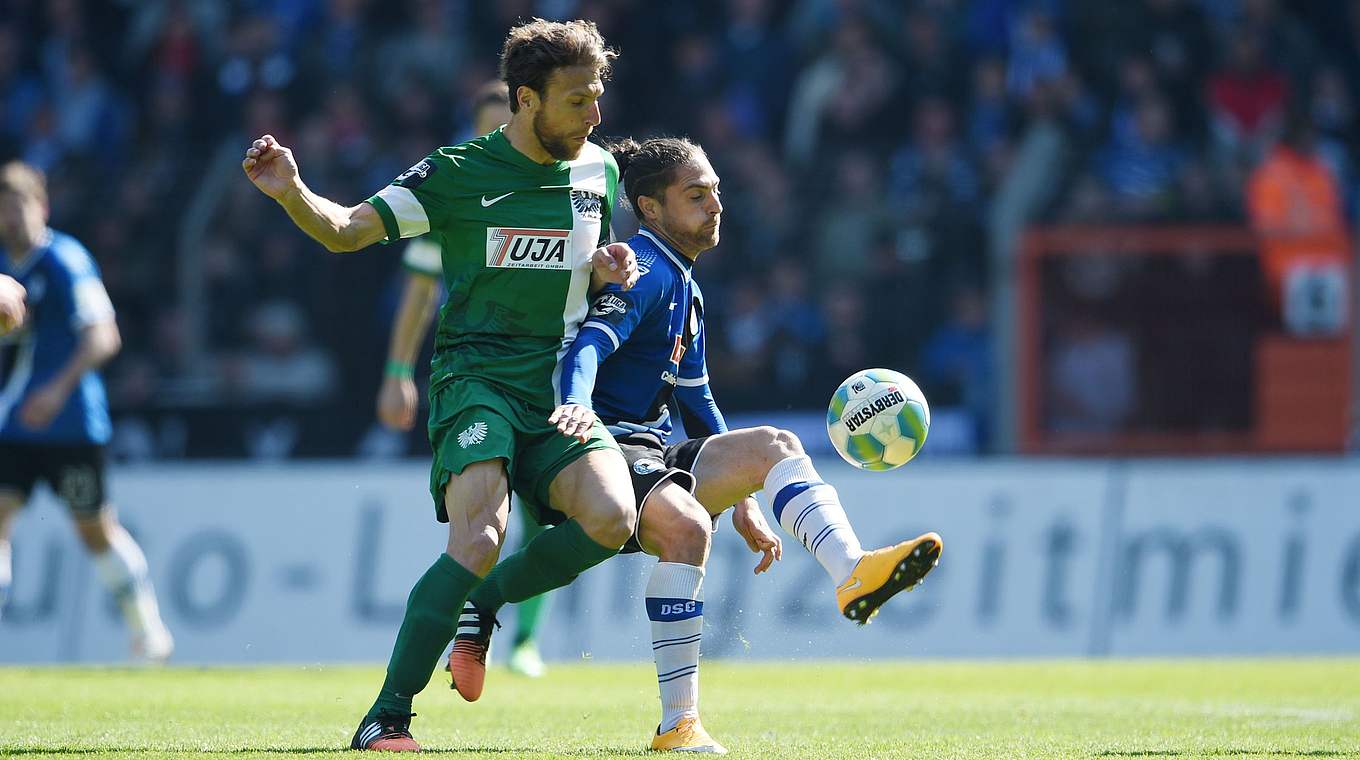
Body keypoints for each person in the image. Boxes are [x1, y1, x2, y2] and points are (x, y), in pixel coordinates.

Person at [451, 137, 943, 753]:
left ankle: (851, 574)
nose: (714, 205)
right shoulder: (644, 267)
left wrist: (744, 499)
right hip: (592, 446)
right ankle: (676, 724)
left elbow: (698, 402)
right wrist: (575, 404)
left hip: (651, 449)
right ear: (651, 208)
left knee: (775, 444)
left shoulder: (687, 287)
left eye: (715, 191)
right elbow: (589, 347)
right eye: (695, 194)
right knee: (686, 529)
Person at [242, 18, 641, 752]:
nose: (596, 115)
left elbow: (589, 269)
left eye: (597, 98)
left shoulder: (601, 171)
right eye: (579, 100)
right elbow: (347, 230)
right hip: (477, 379)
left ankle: (482, 607)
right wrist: (293, 191)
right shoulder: (455, 173)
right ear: (526, 100)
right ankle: (386, 717)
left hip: (556, 390)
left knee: (615, 521)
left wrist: (611, 271)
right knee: (482, 535)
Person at [375, 80, 552, 679]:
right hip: (477, 372)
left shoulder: (565, 183)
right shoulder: (455, 191)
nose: (489, 137)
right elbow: (421, 288)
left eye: (497, 123)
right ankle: (461, 636)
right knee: (486, 523)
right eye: (480, 125)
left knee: (548, 516)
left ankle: (524, 639)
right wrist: (398, 371)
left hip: (547, 372)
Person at [0, 160, 174, 662]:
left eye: (21, 208)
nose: (13, 219)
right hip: (12, 425)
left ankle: (147, 631)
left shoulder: (66, 261)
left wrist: (55, 391)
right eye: (5, 210)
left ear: (43, 209)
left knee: (93, 529)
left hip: (69, 423)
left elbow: (104, 336)